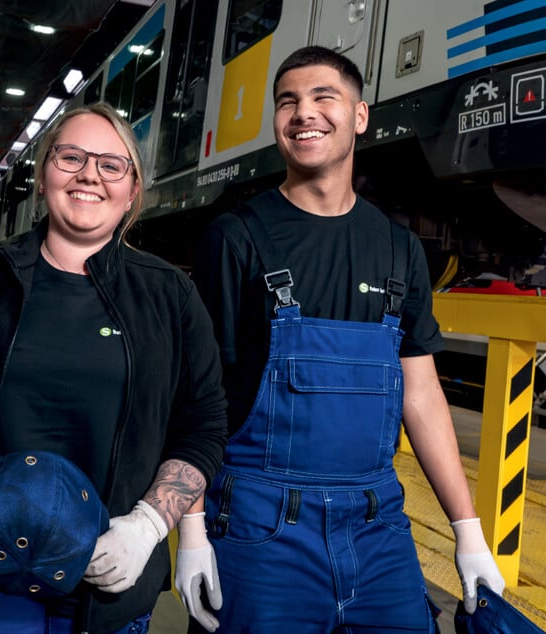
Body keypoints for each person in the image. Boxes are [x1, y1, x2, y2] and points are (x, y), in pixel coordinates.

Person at [0, 101, 229, 633]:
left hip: (106, 585)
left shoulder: (170, 296)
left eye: (112, 165)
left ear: (132, 190)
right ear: (42, 177)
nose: (89, 175)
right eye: (71, 157)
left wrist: (151, 525)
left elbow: (201, 426)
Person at [189, 45, 507, 632]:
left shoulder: (398, 248)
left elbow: (421, 393)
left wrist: (467, 533)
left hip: (377, 524)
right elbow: (194, 396)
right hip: (261, 525)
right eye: (287, 102)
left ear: (360, 116)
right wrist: (189, 531)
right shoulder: (234, 239)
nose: (302, 113)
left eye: (322, 98)